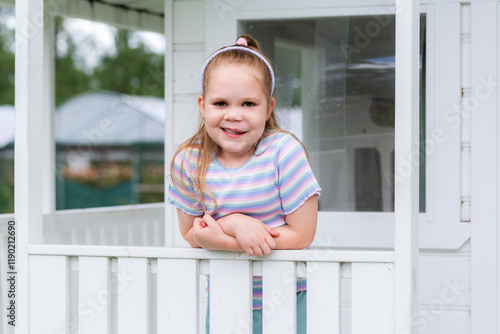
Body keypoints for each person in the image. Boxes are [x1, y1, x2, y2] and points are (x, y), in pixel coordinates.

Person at [168, 35, 321, 334]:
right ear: (203, 105)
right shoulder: (188, 161)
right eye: (220, 102)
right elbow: (191, 233)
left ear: (268, 108)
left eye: (248, 103)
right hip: (225, 295)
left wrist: (225, 238)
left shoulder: (283, 152)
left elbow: (302, 234)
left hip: (288, 297)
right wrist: (236, 223)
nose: (234, 114)